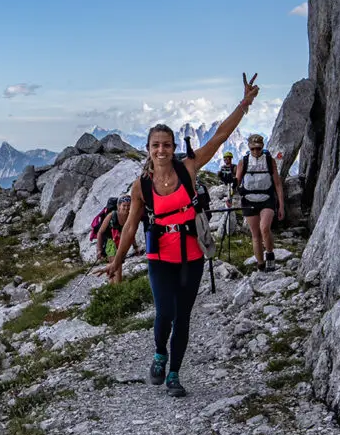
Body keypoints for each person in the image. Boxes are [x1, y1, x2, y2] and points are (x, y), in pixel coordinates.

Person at [106, 73, 261, 397]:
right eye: (155, 145)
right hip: (160, 255)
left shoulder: (188, 167)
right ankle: (160, 353)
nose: (161, 150)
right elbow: (131, 226)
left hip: (191, 254)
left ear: (174, 147)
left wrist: (244, 104)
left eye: (166, 145)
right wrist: (117, 262)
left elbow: (219, 136)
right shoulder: (141, 186)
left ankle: (174, 373)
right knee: (165, 312)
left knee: (184, 316)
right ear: (148, 150)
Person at [234, 133, 286, 271]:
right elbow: (237, 182)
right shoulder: (243, 162)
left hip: (267, 199)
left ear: (262, 147)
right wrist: (230, 197)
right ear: (249, 148)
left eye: (258, 148)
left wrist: (281, 206)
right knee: (255, 234)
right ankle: (260, 264)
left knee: (264, 228)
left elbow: (278, 184)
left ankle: (270, 255)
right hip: (248, 200)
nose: (256, 151)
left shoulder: (270, 161)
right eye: (253, 149)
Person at [94, 196, 132, 263]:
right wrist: (99, 250)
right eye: (124, 205)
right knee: (115, 265)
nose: (126, 208)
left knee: (116, 266)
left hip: (121, 243)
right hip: (110, 242)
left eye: (128, 205)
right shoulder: (111, 215)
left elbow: (131, 233)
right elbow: (100, 232)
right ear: (119, 206)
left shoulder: (130, 216)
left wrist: (135, 246)